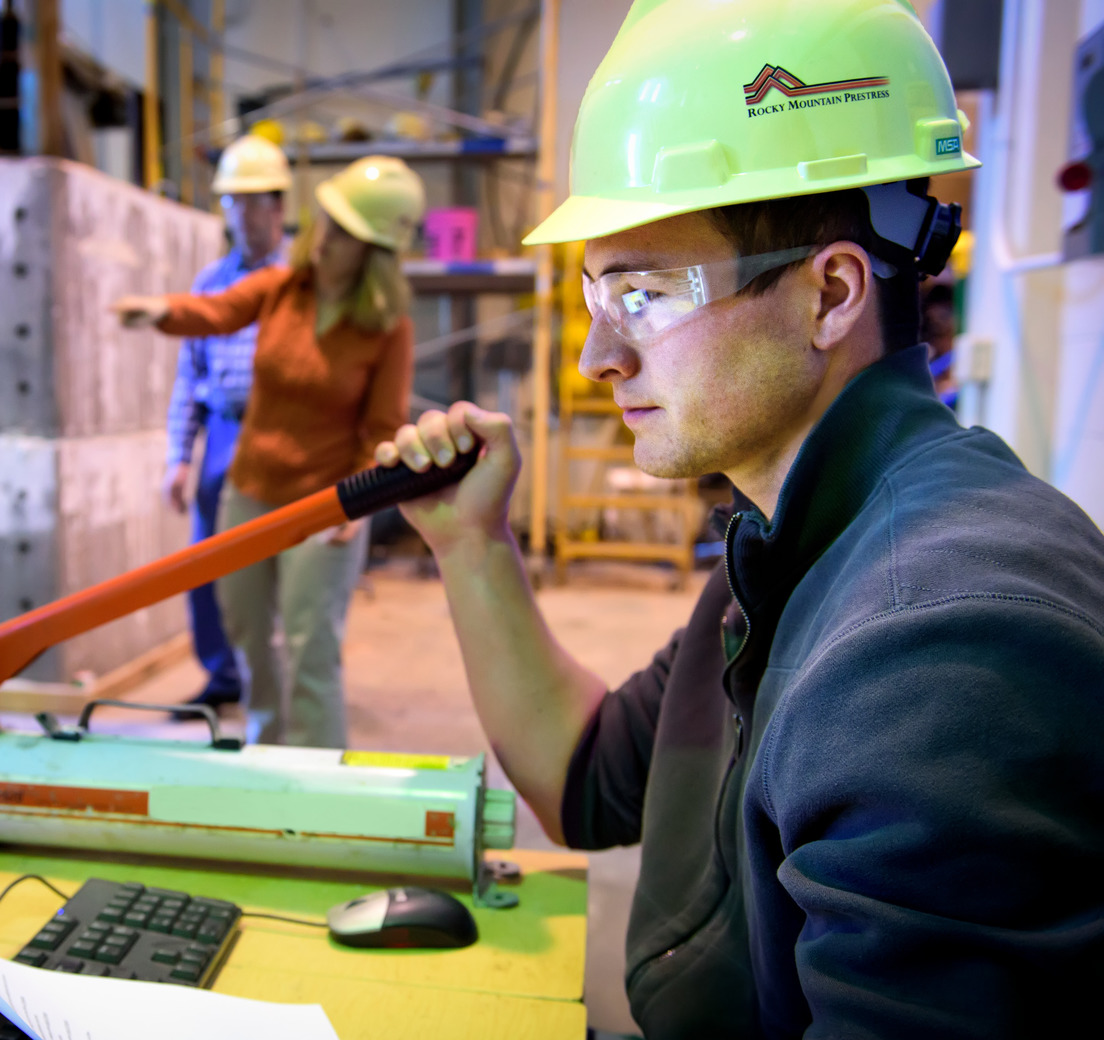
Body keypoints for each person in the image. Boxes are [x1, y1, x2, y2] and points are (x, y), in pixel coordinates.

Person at [376, 2, 1104, 1036]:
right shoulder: (792, 548)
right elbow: (590, 777)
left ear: (833, 293)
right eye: (596, 295)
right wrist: (470, 543)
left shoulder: (937, 646)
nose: (598, 358)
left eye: (648, 295)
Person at [113, 156, 424, 748]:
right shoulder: (284, 288)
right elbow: (219, 309)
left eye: (345, 232)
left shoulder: (386, 327)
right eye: (327, 222)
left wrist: (352, 509)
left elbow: (380, 429)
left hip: (325, 507)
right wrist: (162, 311)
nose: (325, 238)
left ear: (375, 250)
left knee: (312, 650)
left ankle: (317, 785)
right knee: (250, 636)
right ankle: (267, 753)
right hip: (250, 489)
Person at [164, 135, 292, 716]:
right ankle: (221, 676)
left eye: (254, 201)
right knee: (206, 559)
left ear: (279, 206)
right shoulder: (209, 283)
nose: (242, 214)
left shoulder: (299, 286)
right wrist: (178, 457)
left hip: (280, 435)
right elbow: (187, 375)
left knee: (279, 564)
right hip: (220, 432)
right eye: (232, 202)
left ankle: (272, 676)